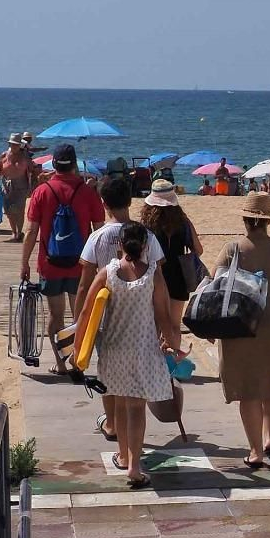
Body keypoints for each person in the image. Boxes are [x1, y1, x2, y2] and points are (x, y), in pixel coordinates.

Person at [209, 194, 270, 468]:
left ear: (245, 219)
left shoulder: (232, 249)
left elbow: (216, 288)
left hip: (238, 326)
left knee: (247, 390)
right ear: (268, 221)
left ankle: (255, 451)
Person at [77, 222, 181, 488]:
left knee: (121, 404)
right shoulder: (153, 275)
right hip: (143, 348)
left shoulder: (107, 273)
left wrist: (78, 349)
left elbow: (87, 313)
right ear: (146, 246)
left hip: (113, 348)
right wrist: (173, 344)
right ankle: (134, 466)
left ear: (120, 245)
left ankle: (123, 456)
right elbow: (163, 315)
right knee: (136, 407)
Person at [78, 175, 166, 440]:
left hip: (105, 318)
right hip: (141, 319)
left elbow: (84, 285)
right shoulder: (147, 236)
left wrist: (79, 323)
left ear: (103, 203)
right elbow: (159, 278)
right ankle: (128, 434)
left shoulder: (97, 237)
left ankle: (113, 424)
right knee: (135, 383)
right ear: (130, 201)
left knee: (109, 373)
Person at [22, 143, 106, 372]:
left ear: (54, 164)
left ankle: (60, 363)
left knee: (55, 316)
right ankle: (78, 359)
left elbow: (30, 232)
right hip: (82, 265)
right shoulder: (88, 192)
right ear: (75, 163)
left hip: (50, 264)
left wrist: (24, 263)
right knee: (80, 314)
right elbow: (99, 231)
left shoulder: (42, 191)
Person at [139, 178, 203, 326]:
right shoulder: (182, 222)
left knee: (155, 326)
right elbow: (198, 250)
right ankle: (173, 349)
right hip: (178, 276)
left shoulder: (146, 225)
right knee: (174, 326)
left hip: (153, 276)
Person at [0, 133, 35, 241]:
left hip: (21, 185)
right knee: (9, 210)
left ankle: (19, 232)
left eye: (16, 145)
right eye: (12, 144)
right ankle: (14, 232)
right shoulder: (4, 155)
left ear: (20, 145)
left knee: (19, 209)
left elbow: (32, 168)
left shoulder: (24, 156)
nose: (14, 146)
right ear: (9, 144)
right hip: (7, 185)